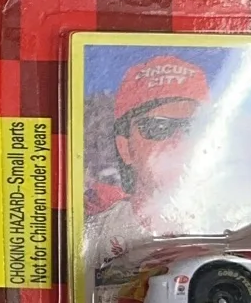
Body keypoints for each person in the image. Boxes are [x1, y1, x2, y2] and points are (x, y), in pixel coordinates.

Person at [84, 53, 210, 272]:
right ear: (125, 148)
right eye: (158, 127)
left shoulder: (240, 227)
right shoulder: (94, 235)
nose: (178, 141)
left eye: (192, 127)